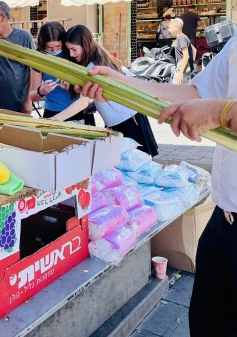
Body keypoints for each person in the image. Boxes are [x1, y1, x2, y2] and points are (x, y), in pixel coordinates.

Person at [73, 24, 237, 337]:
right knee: (208, 323)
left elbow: (215, 105)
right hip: (224, 221)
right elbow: (196, 92)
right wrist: (122, 83)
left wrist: (223, 112)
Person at [52, 25, 158, 156]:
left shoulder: (93, 68)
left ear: (85, 45)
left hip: (126, 121)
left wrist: (57, 118)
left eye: (74, 49)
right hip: (129, 117)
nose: (72, 54)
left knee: (135, 165)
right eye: (69, 50)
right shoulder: (100, 57)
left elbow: (82, 102)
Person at [29, 21, 95, 125]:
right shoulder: (38, 60)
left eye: (58, 46)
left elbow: (86, 91)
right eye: (49, 48)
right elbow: (32, 96)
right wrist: (41, 91)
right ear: (43, 44)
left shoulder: (73, 54)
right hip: (52, 112)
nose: (54, 51)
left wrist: (71, 87)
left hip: (78, 111)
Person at [0, 1, 34, 113]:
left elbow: (32, 70)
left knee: (19, 130)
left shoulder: (24, 37)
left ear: (2, 17)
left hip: (20, 102)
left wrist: (28, 99)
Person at [170, 17, 196, 84]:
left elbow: (186, 56)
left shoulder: (181, 38)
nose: (169, 30)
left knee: (177, 91)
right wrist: (191, 63)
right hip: (184, 69)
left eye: (170, 28)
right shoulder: (182, 37)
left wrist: (181, 72)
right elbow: (194, 49)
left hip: (182, 70)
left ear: (177, 28)